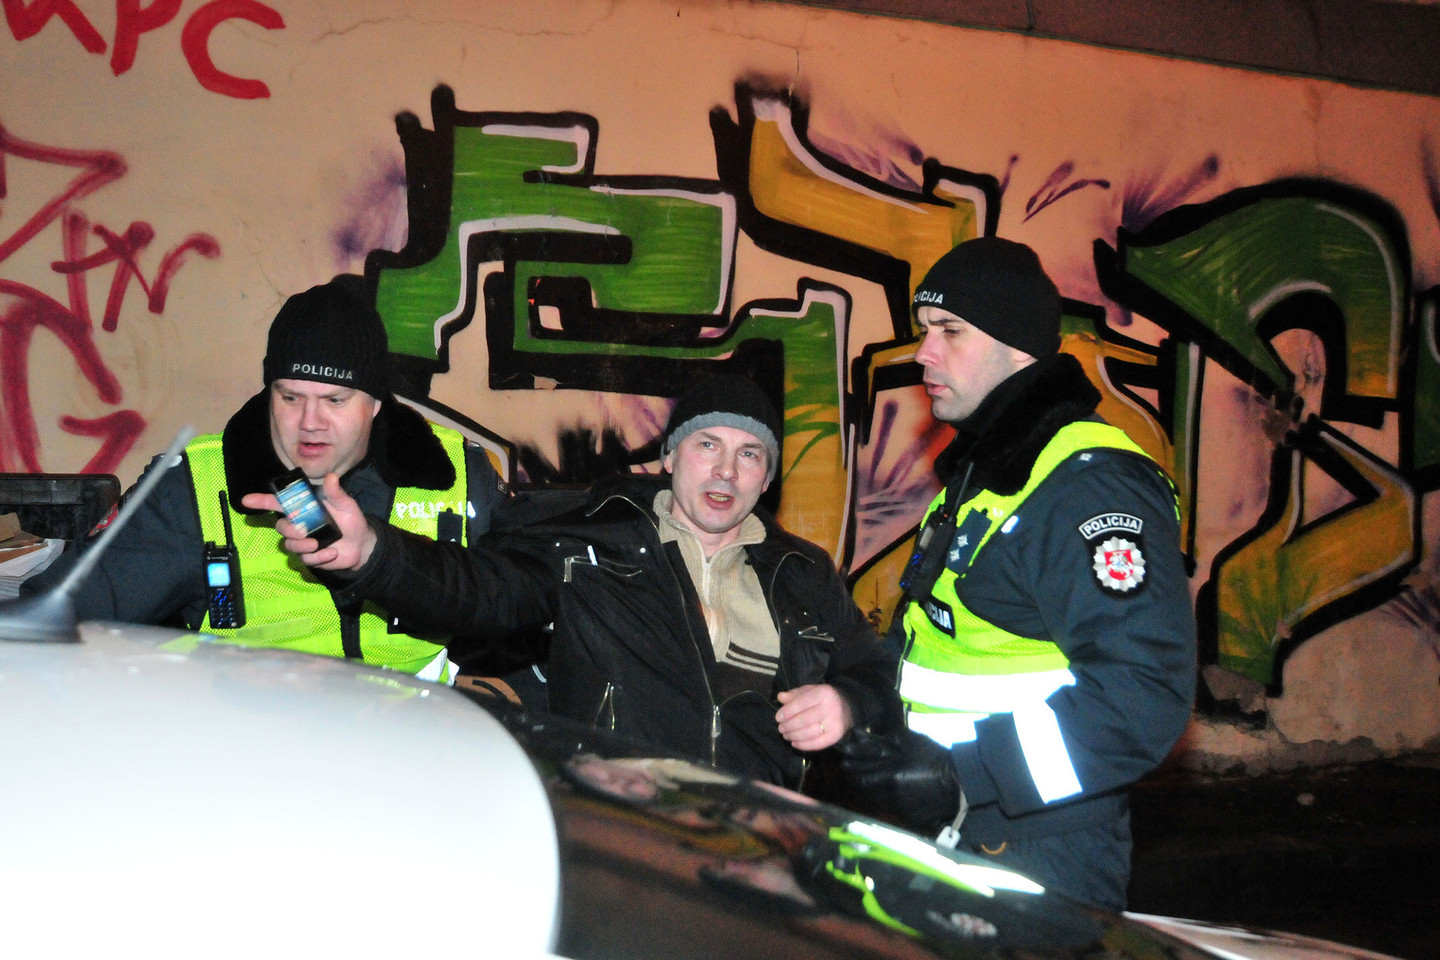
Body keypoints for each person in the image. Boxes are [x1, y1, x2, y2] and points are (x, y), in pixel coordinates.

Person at [248, 374, 899, 788]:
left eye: (749, 454)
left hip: (758, 848)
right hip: (622, 836)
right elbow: (481, 589)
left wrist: (847, 705)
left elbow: (875, 678)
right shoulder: (591, 541)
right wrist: (373, 552)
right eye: (707, 445)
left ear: (767, 476)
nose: (726, 471)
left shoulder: (803, 573)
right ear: (670, 455)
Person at [842, 237, 1196, 910]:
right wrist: (863, 706)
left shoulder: (1087, 486)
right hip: (958, 826)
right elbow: (937, 639)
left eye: (951, 331)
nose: (924, 352)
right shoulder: (992, 467)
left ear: (1018, 347)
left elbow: (1142, 693)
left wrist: (964, 776)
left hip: (1037, 844)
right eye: (925, 330)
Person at [23, 275, 507, 682]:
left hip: (418, 744)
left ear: (377, 403)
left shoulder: (460, 476)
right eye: (290, 397)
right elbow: (50, 619)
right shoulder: (197, 486)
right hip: (249, 749)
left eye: (335, 400)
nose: (310, 422)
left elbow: (520, 603)